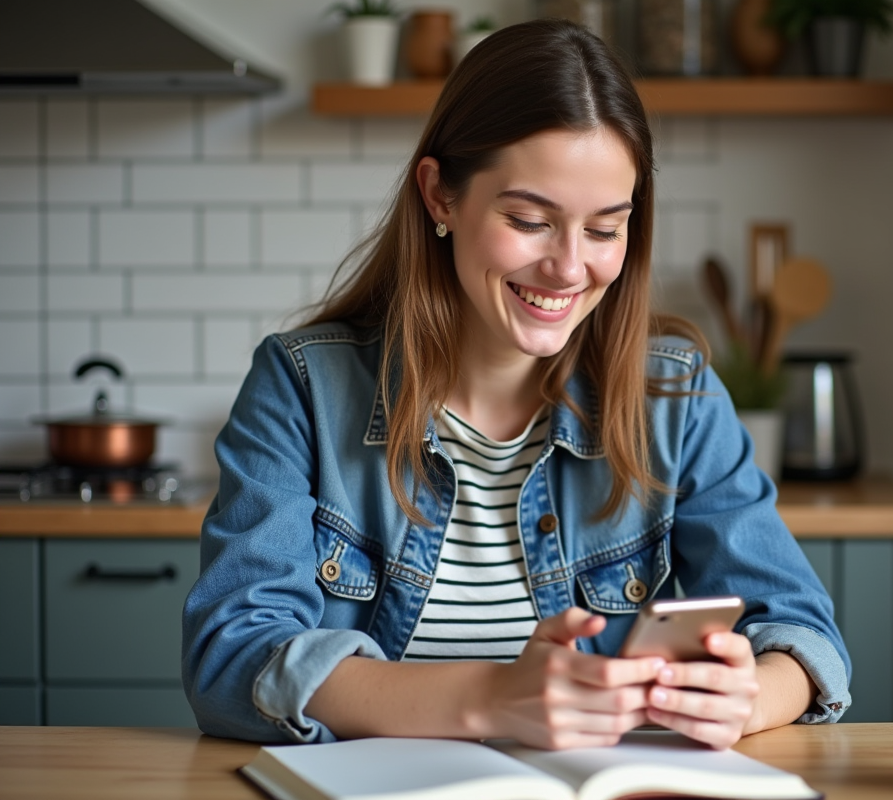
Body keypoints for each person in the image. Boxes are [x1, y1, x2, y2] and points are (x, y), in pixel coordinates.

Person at [182, 18, 850, 750]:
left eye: (604, 230)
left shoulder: (676, 398)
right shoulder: (302, 387)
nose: (569, 268)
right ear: (440, 196)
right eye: (530, 220)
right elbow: (231, 659)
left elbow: (803, 635)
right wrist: (489, 698)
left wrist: (746, 698)